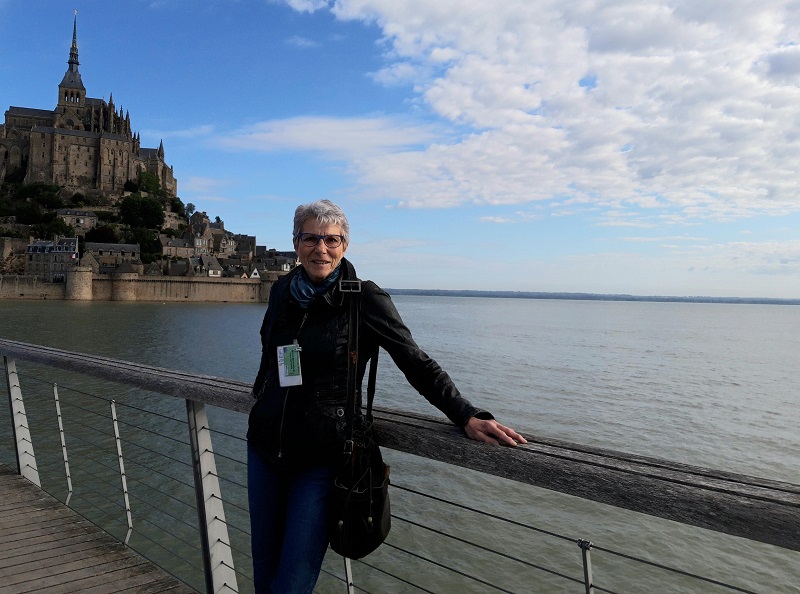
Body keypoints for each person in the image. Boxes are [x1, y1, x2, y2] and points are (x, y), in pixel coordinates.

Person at [247, 199, 527, 593]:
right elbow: (271, 353)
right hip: (264, 449)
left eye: (331, 240)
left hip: (321, 459)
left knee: (292, 582)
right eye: (310, 238)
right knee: (263, 568)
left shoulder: (364, 298)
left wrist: (466, 414)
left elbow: (415, 361)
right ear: (296, 243)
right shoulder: (282, 291)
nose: (321, 249)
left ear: (345, 245)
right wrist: (262, 397)